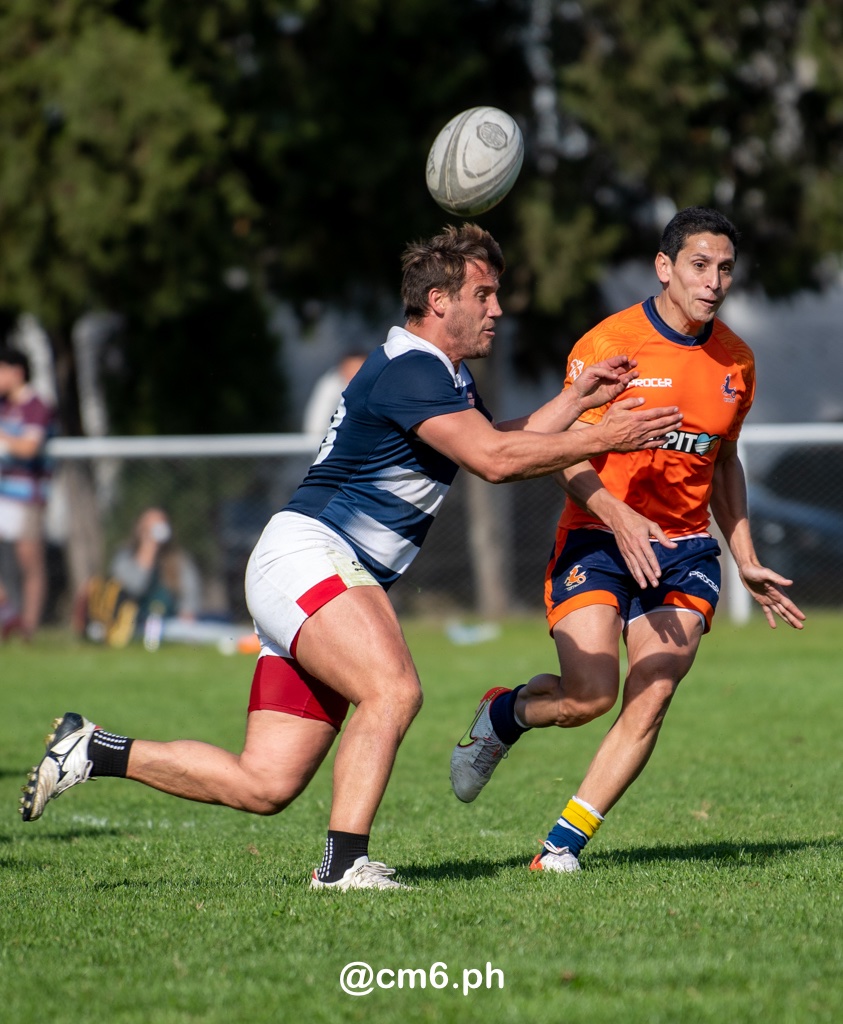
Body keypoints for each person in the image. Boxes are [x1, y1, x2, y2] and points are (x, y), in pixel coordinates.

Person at [19, 223, 683, 891]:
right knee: (392, 690)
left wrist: (576, 402)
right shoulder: (412, 369)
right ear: (437, 300)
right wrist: (614, 432)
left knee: (265, 781)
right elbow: (493, 461)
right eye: (483, 294)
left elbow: (491, 439)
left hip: (303, 569)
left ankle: (93, 750)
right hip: (312, 555)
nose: (497, 309)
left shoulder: (435, 372)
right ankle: (342, 867)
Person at [449, 207, 806, 874]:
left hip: (682, 547)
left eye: (724, 268)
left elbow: (722, 459)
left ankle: (561, 847)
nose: (713, 280)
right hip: (595, 534)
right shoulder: (610, 345)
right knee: (589, 697)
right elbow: (558, 449)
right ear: (664, 267)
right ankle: (504, 715)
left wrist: (745, 555)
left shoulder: (736, 360)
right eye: (699, 265)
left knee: (654, 690)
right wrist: (613, 511)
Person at [0, 346, 56, 640]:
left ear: (16, 372)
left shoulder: (37, 405)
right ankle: (8, 617)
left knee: (29, 561)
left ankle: (28, 629)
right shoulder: (2, 405)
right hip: (2, 493)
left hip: (28, 496)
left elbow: (29, 446)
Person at [302, 350, 367, 437]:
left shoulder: (375, 387)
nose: (356, 374)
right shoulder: (331, 387)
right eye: (353, 369)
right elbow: (316, 426)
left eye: (360, 369)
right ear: (343, 369)